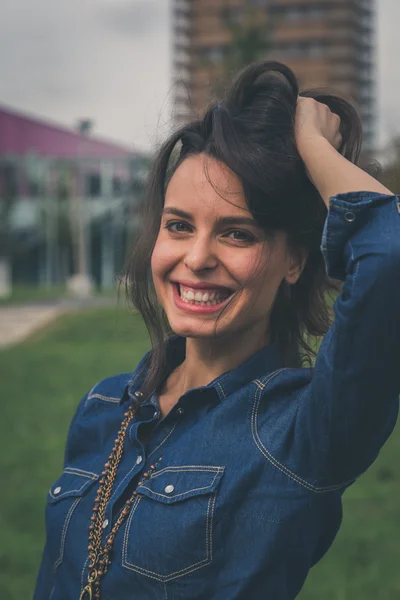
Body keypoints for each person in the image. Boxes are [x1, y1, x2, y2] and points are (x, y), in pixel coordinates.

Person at [34, 61, 400, 600]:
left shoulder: (303, 432)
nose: (197, 258)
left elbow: (388, 254)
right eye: (179, 225)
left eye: (237, 233)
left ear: (294, 261)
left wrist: (312, 146)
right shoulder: (104, 405)